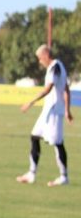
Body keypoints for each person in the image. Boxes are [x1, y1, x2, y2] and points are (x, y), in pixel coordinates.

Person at [16, 44, 73, 186]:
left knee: (57, 143)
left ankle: (64, 177)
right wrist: (68, 110)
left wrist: (30, 102)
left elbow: (48, 89)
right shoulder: (58, 67)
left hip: (54, 111)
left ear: (46, 55)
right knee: (35, 136)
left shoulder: (55, 67)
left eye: (40, 58)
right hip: (48, 110)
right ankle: (31, 174)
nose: (39, 61)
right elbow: (66, 89)